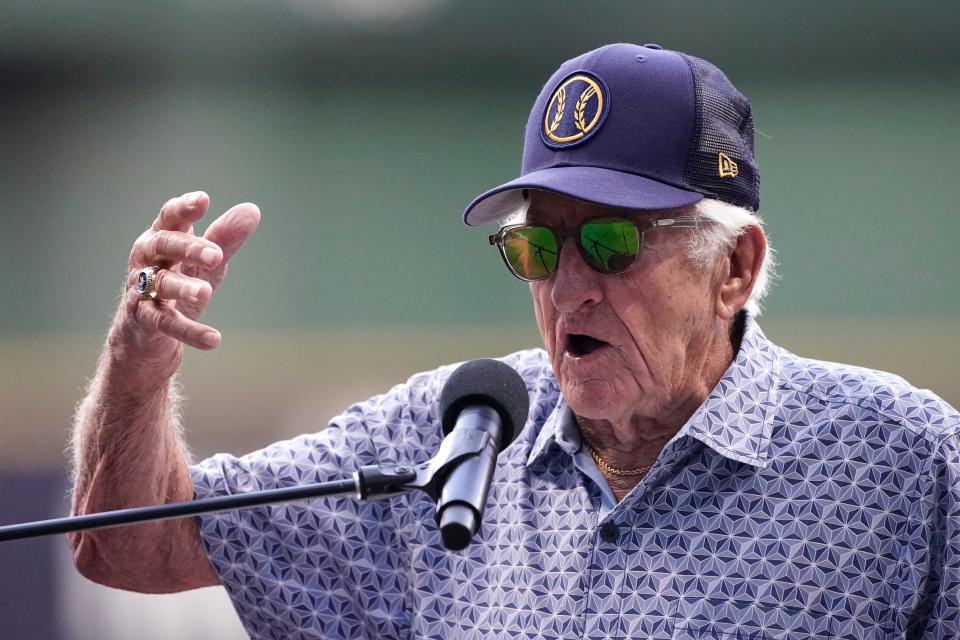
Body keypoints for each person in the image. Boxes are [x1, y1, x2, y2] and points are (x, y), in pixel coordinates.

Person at [70, 43, 959, 639]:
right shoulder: (452, 434)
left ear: (734, 266)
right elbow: (127, 544)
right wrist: (137, 363)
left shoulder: (902, 460)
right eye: (538, 247)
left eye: (613, 242)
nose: (568, 284)